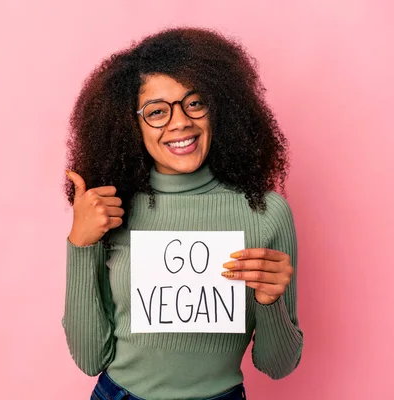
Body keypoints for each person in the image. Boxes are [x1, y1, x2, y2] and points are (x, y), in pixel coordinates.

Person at [62, 27, 303, 400]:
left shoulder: (266, 213)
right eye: (157, 111)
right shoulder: (110, 210)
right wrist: (80, 245)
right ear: (132, 125)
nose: (180, 122)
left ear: (219, 106)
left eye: (195, 103)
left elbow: (278, 365)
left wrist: (270, 304)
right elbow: (91, 358)